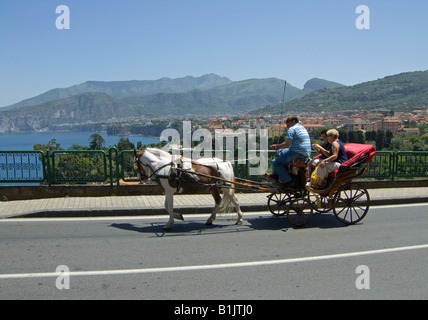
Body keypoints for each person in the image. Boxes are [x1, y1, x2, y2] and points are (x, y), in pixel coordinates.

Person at [265, 116, 311, 187]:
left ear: (293, 121)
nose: (286, 125)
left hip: (296, 152)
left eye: (287, 122)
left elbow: (287, 144)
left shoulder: (292, 129)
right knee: (280, 152)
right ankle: (275, 175)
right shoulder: (302, 128)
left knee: (276, 162)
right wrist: (278, 149)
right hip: (306, 153)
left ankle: (288, 181)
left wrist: (276, 147)